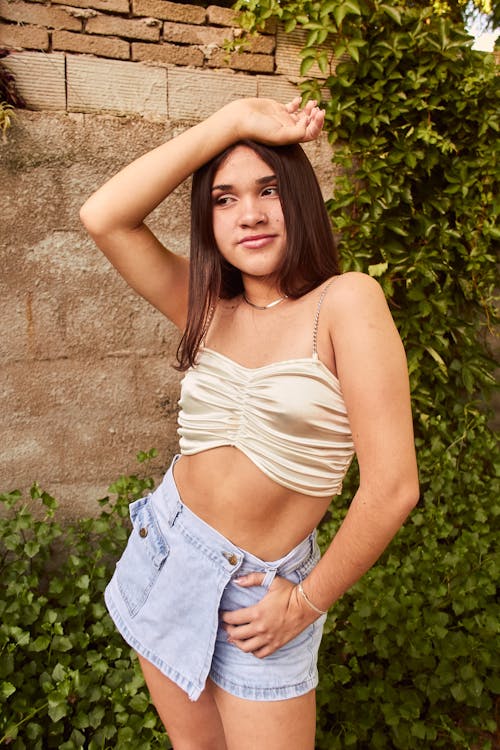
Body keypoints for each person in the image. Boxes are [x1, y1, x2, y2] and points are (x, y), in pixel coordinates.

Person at [80, 95, 419, 750]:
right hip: (166, 550)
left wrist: (305, 601)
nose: (252, 215)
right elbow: (103, 216)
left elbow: (393, 488)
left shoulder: (346, 302)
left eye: (268, 190)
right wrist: (231, 119)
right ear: (208, 221)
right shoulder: (207, 306)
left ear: (300, 199)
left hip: (261, 594)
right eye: (225, 199)